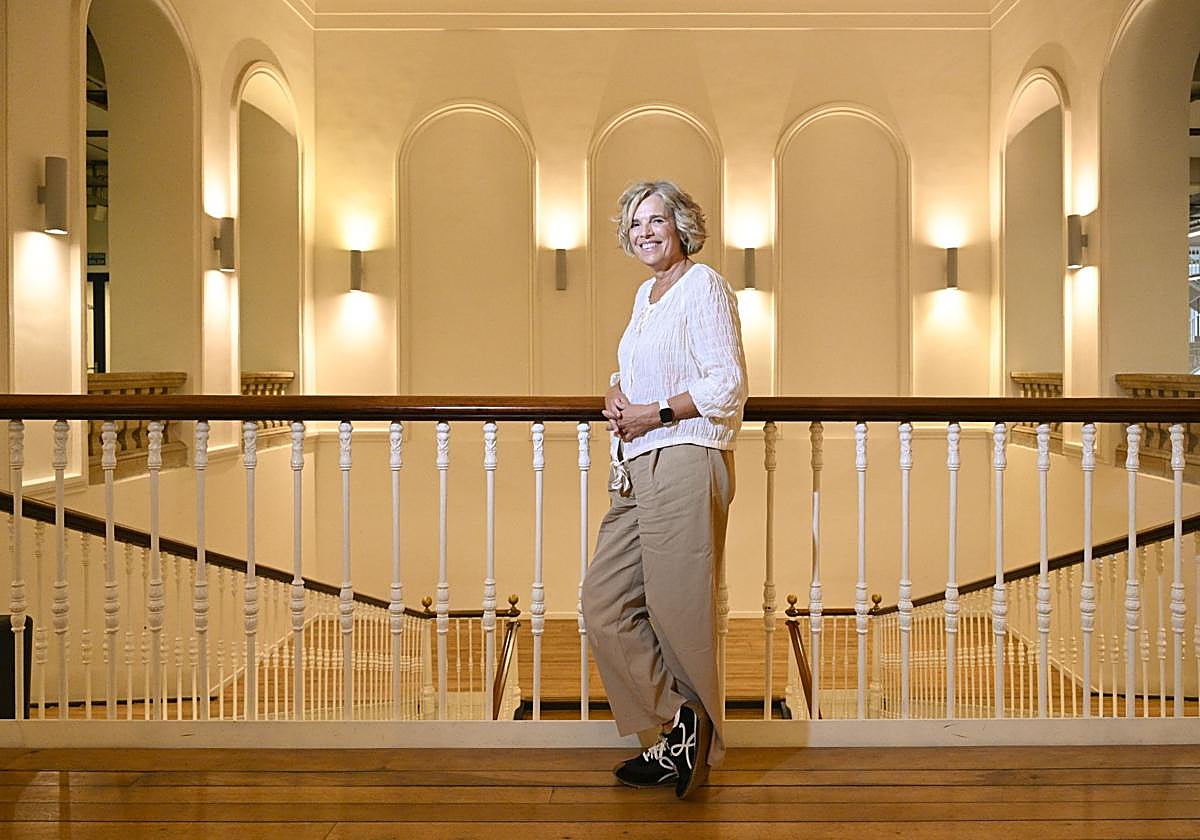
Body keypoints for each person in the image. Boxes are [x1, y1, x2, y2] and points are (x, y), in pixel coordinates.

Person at [582, 180, 748, 800]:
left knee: (678, 613)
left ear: (680, 225)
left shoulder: (703, 285)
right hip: (636, 466)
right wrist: (616, 392)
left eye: (655, 220)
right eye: (633, 223)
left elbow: (725, 384)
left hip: (684, 458)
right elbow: (641, 365)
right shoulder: (645, 295)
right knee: (604, 604)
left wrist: (655, 413)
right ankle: (679, 726)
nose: (644, 231)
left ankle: (683, 743)